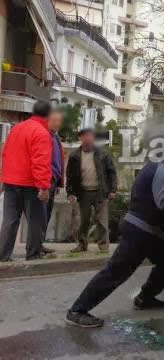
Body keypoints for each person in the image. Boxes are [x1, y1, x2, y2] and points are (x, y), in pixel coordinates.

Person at [65, 161, 164, 328]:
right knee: (115, 272)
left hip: (145, 230)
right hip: (141, 231)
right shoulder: (163, 169)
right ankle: (76, 311)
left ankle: (144, 299)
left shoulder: (153, 167)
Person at [0, 100, 52, 261]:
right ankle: (33, 253)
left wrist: (4, 178)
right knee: (36, 220)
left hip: (10, 181)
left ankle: (3, 255)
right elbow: (40, 162)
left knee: (10, 220)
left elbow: (5, 153)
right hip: (30, 184)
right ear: (48, 115)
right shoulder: (41, 132)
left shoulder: (16, 128)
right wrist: (43, 187)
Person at [66, 129, 117, 252]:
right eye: (85, 136)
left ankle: (103, 246)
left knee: (102, 220)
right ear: (81, 138)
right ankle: (82, 244)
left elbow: (111, 173)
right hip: (83, 192)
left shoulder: (103, 154)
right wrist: (70, 193)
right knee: (83, 220)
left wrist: (112, 190)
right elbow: (70, 176)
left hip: (100, 191)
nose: (88, 139)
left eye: (90, 136)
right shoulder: (74, 156)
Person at [41, 109, 65, 254]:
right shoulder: (44, 136)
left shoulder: (56, 138)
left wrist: (60, 182)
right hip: (46, 180)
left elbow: (59, 161)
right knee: (41, 213)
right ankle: (36, 245)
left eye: (59, 121)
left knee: (47, 213)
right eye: (54, 120)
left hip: (54, 181)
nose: (57, 124)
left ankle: (40, 243)